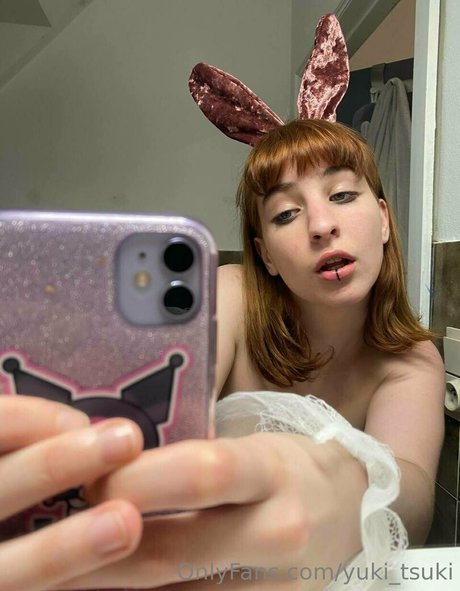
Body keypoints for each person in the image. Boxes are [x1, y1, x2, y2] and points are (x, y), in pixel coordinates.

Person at [0, 14, 446, 591]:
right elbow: (158, 409)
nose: (320, 225)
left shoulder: (412, 362)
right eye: (286, 213)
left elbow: (411, 503)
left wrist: (346, 484)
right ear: (265, 255)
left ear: (384, 220)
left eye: (341, 195)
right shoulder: (231, 294)